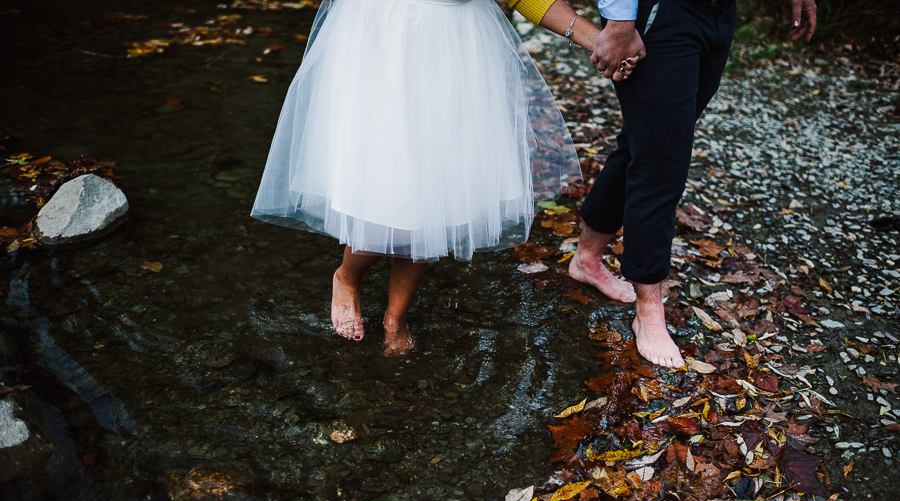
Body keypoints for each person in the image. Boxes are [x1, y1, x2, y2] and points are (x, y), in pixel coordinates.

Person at [250, 0, 638, 356]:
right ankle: (347, 276)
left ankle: (394, 318)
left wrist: (602, 41)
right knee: (389, 181)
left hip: (458, 44)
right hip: (389, 37)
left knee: (439, 186)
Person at [571, 0, 817, 368]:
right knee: (661, 161)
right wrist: (620, 23)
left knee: (650, 140)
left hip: (719, 13)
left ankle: (587, 259)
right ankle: (649, 309)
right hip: (663, 12)